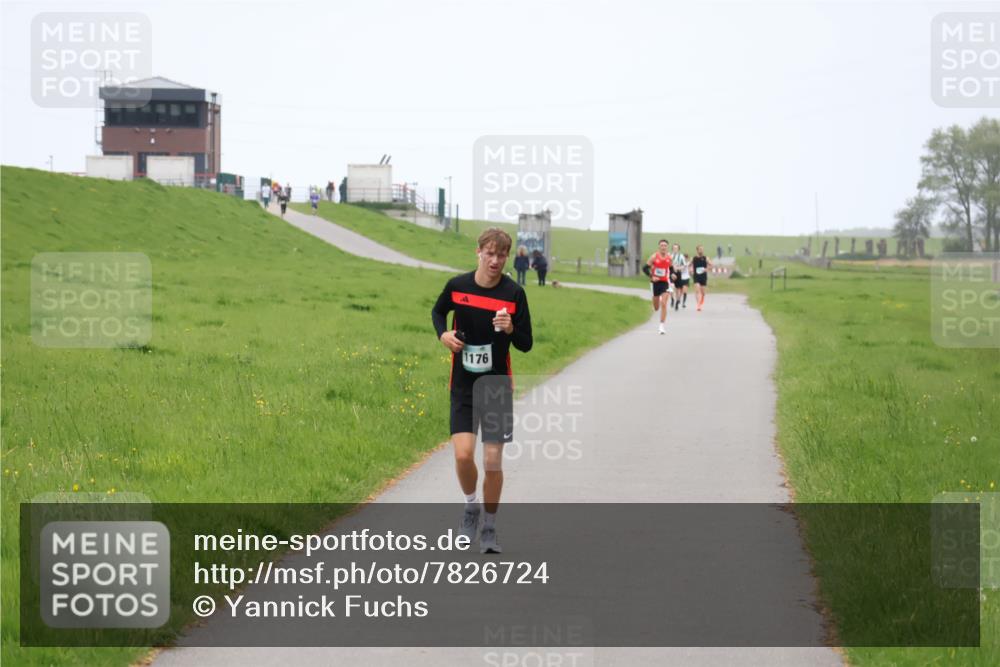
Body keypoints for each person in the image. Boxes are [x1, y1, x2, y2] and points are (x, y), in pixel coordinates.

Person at [431, 228, 533, 554]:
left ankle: (489, 526)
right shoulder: (458, 286)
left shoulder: (514, 293)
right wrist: (443, 336)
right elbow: (437, 312)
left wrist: (511, 328)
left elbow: (526, 344)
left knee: (491, 461)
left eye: (501, 255)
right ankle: (470, 508)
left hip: (496, 385)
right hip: (462, 384)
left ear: (507, 257)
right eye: (489, 253)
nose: (495, 260)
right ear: (478, 252)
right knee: (463, 455)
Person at [646, 239, 673, 334]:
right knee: (656, 307)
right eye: (662, 245)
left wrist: (673, 275)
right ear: (659, 247)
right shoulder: (654, 257)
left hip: (665, 283)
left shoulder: (669, 258)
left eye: (665, 245)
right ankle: (654, 302)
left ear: (667, 247)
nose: (663, 247)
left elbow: (671, 269)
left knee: (664, 304)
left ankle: (661, 326)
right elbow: (645, 268)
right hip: (655, 283)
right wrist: (652, 276)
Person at [692, 244, 713, 311]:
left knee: (703, 292)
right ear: (697, 250)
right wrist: (690, 269)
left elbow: (711, 265)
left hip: (703, 276)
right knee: (697, 290)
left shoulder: (705, 258)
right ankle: (698, 305)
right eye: (700, 249)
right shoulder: (694, 258)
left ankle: (702, 299)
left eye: (702, 249)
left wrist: (707, 269)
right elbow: (689, 265)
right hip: (696, 276)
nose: (701, 250)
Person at [669, 243, 684, 310]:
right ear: (672, 249)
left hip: (678, 273)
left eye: (676, 248)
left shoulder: (681, 256)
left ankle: (677, 302)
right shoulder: (669, 256)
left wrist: (679, 268)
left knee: (678, 288)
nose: (675, 249)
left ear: (678, 249)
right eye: (674, 248)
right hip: (671, 273)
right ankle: (672, 298)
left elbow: (684, 265)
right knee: (671, 286)